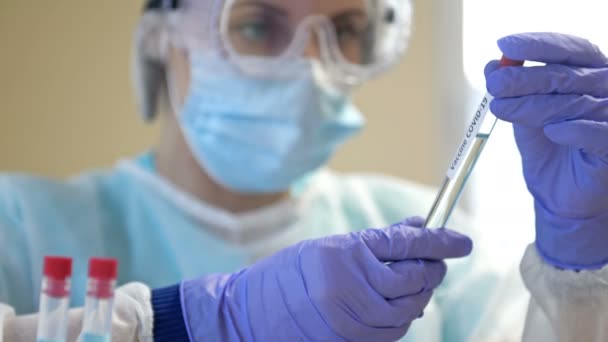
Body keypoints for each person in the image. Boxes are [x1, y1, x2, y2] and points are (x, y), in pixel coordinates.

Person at [1, 0, 608, 341]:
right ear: (161, 38)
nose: (310, 66)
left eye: (343, 30)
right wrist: (201, 323)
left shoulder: (435, 243)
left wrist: (577, 269)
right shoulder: (22, 227)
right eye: (259, 26)